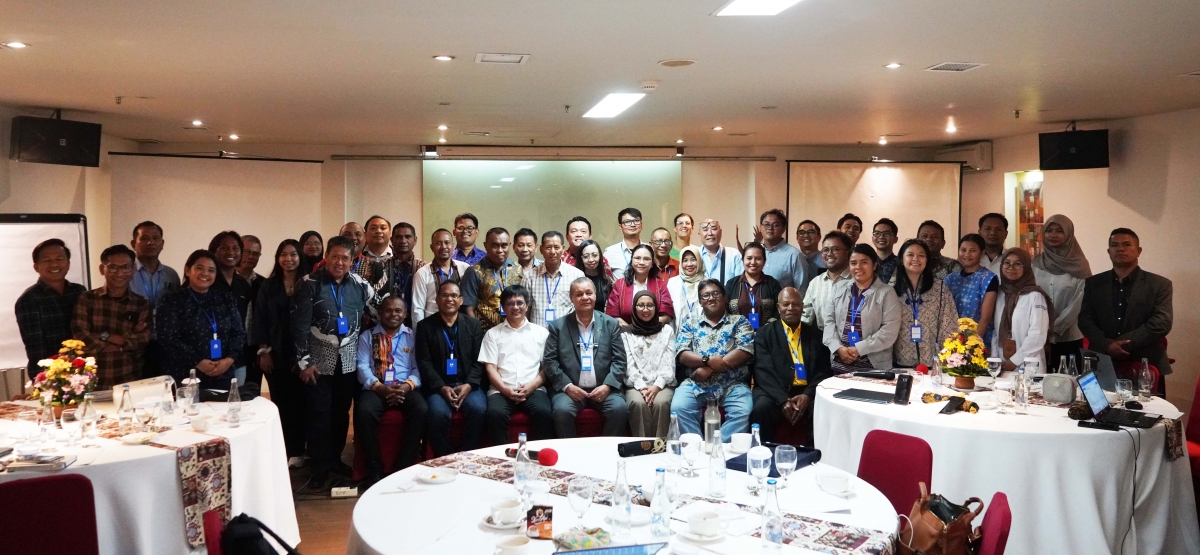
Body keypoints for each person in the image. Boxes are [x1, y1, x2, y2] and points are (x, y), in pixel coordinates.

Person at [291, 236, 375, 491]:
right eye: (335, 256)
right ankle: (318, 468)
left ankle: (335, 460)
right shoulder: (308, 284)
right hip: (317, 361)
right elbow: (299, 325)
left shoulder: (361, 285)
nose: (340, 262)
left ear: (352, 260)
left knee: (340, 414)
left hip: (348, 361)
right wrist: (303, 362)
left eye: (345, 258)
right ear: (327, 256)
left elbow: (376, 311)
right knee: (319, 414)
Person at [1078, 228, 1173, 391]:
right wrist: (1107, 344)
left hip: (1146, 364)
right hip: (1102, 361)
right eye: (1115, 245)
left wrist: (1124, 344)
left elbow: (1161, 323)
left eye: (1127, 244)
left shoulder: (1159, 284)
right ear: (1109, 251)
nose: (1120, 248)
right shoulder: (1094, 283)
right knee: (1099, 413)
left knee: (1149, 414)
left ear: (1139, 251)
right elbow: (1085, 320)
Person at [545, 278, 630, 438]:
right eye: (579, 294)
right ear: (571, 298)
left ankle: (606, 453)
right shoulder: (558, 326)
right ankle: (569, 456)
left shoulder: (610, 324)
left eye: (588, 293)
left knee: (619, 409)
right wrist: (567, 386)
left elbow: (620, 360)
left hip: (605, 388)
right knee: (562, 410)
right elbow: (550, 361)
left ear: (595, 296)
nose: (585, 297)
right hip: (570, 389)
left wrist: (607, 386)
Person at [670, 279, 754, 440]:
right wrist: (707, 360)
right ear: (700, 302)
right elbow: (681, 352)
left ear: (725, 297)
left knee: (743, 410)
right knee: (679, 407)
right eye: (705, 295)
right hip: (696, 383)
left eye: (715, 293)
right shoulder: (691, 323)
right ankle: (697, 448)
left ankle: (719, 448)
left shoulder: (740, 321)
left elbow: (745, 350)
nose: (711, 298)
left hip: (732, 384)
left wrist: (709, 368)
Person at [355, 295, 426, 483]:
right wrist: (379, 387)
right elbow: (362, 366)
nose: (393, 314)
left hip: (406, 387)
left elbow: (418, 367)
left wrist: (407, 386)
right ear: (380, 313)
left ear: (405, 314)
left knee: (421, 409)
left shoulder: (413, 337)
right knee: (363, 412)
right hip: (376, 388)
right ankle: (375, 470)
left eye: (398, 310)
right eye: (388, 310)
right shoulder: (367, 336)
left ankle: (403, 467)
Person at [750, 288, 830, 444]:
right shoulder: (764, 334)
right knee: (761, 409)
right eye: (786, 304)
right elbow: (763, 371)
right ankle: (762, 454)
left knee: (821, 408)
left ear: (803, 307)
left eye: (796, 304)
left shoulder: (816, 335)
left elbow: (823, 370)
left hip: (805, 391)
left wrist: (808, 394)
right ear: (778, 308)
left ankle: (815, 456)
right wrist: (783, 400)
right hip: (773, 391)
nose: (791, 308)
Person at [155, 250, 245, 388]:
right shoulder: (172, 300)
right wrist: (198, 361)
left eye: (211, 270)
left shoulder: (225, 299)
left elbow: (239, 333)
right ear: (187, 270)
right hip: (185, 375)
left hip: (223, 372)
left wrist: (228, 360)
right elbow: (168, 338)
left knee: (221, 409)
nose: (205, 274)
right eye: (199, 268)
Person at [252, 239, 306, 467]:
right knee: (281, 402)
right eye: (283, 254)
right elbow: (260, 319)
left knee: (302, 403)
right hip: (276, 352)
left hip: (302, 354)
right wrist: (263, 351)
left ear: (300, 257)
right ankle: (286, 449)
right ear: (277, 258)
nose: (288, 259)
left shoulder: (309, 283)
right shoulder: (269, 285)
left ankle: (302, 450)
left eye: (293, 254)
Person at [416, 280, 487, 456]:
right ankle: (445, 457)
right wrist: (441, 387)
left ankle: (467, 454)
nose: (449, 299)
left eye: (454, 295)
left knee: (478, 409)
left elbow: (480, 360)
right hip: (438, 386)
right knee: (437, 413)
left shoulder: (473, 325)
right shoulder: (425, 327)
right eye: (445, 295)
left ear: (461, 300)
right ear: (437, 300)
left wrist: (469, 384)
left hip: (468, 384)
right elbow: (424, 361)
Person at [71, 245, 152, 389]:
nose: (120, 273)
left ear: (133, 270)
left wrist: (100, 337)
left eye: (125, 267)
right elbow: (80, 335)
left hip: (129, 378)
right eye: (113, 267)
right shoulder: (87, 299)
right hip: (91, 381)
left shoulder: (141, 304)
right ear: (102, 269)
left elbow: (142, 339)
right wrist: (112, 337)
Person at [481, 285, 554, 444]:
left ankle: (536, 456)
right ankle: (501, 459)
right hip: (501, 389)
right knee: (495, 414)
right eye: (510, 303)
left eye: (520, 303)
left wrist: (531, 386)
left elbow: (546, 368)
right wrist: (505, 390)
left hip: (533, 388)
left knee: (543, 412)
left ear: (527, 306)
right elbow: (490, 368)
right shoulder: (492, 334)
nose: (515, 307)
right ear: (503, 307)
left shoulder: (541, 332)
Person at [823, 244, 902, 373]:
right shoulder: (839, 287)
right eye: (853, 263)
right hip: (840, 362)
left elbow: (889, 331)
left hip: (872, 367)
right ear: (848, 266)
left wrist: (859, 349)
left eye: (864, 262)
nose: (858, 267)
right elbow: (829, 321)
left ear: (874, 265)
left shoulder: (887, 292)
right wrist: (838, 348)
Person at [15, 239, 88, 379]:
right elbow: (36, 349)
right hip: (53, 376)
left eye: (60, 259)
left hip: (84, 370)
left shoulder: (80, 291)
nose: (54, 264)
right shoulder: (29, 300)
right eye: (46, 260)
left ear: (68, 263)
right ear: (36, 267)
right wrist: (46, 380)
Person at [1032, 215, 1091, 371]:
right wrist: (1040, 328)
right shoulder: (1035, 264)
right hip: (1037, 336)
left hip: (1068, 337)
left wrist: (1054, 328)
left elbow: (1079, 302)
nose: (1053, 235)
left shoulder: (1080, 266)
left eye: (1059, 231)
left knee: (1067, 385)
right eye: (1049, 230)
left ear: (1069, 234)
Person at [891, 240, 959, 368]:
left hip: (932, 361)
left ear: (927, 260)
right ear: (901, 259)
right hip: (899, 361)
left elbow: (949, 323)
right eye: (910, 255)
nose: (916, 259)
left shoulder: (940, 288)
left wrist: (946, 357)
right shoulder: (892, 289)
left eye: (921, 255)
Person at [620, 290, 676, 438]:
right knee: (638, 404)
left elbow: (668, 362)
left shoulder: (666, 330)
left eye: (650, 305)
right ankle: (642, 446)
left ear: (656, 308)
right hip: (636, 385)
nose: (645, 310)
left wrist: (657, 386)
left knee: (662, 403)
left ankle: (660, 447)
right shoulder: (626, 333)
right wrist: (642, 387)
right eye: (641, 305)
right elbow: (628, 364)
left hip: (663, 383)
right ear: (634, 307)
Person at [129, 221, 180, 378]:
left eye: (155, 238)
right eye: (144, 238)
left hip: (166, 345)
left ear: (162, 243)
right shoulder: (125, 272)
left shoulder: (171, 275)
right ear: (133, 244)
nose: (150, 242)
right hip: (136, 345)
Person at [992, 248, 1052, 374]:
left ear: (1026, 267)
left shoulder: (1035, 295)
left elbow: (1038, 334)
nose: (1011, 267)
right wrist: (995, 361)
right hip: (1002, 364)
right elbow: (995, 331)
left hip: (1029, 365)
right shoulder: (999, 294)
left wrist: (1015, 361)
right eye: (1006, 263)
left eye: (1018, 264)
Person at [462, 227, 525, 331]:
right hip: (484, 333)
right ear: (486, 245)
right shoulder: (474, 271)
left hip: (513, 331)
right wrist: (476, 331)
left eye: (504, 246)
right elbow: (468, 308)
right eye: (495, 246)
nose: (500, 250)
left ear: (509, 246)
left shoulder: (518, 269)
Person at [944, 234, 998, 345]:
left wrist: (971, 346)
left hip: (977, 341)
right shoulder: (950, 279)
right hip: (951, 340)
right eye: (963, 250)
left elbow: (985, 319)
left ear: (982, 253)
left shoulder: (989, 278)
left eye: (972, 250)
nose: (967, 254)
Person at [523, 230, 585, 327]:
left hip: (566, 335)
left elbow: (581, 308)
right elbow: (525, 311)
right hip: (538, 337)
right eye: (548, 247)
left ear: (563, 249)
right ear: (541, 249)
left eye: (556, 247)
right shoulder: (529, 277)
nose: (552, 252)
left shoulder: (577, 275)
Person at [606, 244, 674, 327]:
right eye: (637, 258)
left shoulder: (660, 285)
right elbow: (612, 313)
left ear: (652, 263)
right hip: (625, 333)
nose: (641, 262)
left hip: (654, 333)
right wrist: (630, 330)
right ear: (631, 261)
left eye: (646, 259)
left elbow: (667, 315)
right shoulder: (620, 284)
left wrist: (646, 329)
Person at [411, 229, 469, 323]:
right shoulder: (422, 274)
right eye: (438, 243)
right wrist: (420, 334)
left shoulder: (465, 269)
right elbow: (417, 309)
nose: (443, 247)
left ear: (453, 246)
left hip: (460, 326)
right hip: (433, 328)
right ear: (431, 247)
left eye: (447, 243)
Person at [725, 242, 783, 330]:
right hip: (738, 338)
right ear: (743, 260)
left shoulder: (772, 283)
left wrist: (765, 330)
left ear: (764, 261)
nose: (753, 262)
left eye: (758, 259)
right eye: (749, 258)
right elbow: (724, 311)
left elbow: (779, 311)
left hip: (767, 337)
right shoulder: (731, 284)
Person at [802, 232, 853, 331]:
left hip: (852, 341)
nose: (829, 254)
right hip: (823, 341)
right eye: (825, 250)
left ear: (848, 253)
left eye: (835, 249)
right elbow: (805, 318)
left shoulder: (857, 280)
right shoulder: (815, 283)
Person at [383, 222, 428, 327]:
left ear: (415, 240)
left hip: (417, 325)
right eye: (398, 237)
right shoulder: (381, 266)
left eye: (407, 237)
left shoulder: (424, 268)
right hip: (387, 327)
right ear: (391, 240)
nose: (403, 241)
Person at [753, 209, 809, 293]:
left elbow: (801, 291)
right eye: (766, 224)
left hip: (783, 305)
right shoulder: (755, 253)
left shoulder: (794, 255)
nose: (770, 228)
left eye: (775, 225)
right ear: (761, 227)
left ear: (783, 229)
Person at [208, 231, 253, 320]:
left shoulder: (243, 285)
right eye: (224, 248)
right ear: (213, 251)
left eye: (235, 248)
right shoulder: (206, 280)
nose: (231, 252)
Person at [574, 239, 615, 314]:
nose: (591, 259)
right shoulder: (574, 280)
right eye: (586, 256)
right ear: (581, 258)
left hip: (602, 322)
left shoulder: (608, 281)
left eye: (595, 255)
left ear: (600, 256)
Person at [667, 246, 703, 327]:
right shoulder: (672, 283)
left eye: (693, 259)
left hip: (702, 333)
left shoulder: (708, 283)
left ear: (699, 260)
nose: (689, 264)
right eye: (685, 260)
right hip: (679, 332)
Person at [698, 219, 743, 284]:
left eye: (714, 229)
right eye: (705, 229)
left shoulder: (734, 256)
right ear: (699, 234)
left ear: (721, 232)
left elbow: (740, 286)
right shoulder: (693, 256)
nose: (710, 233)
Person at [604, 207, 645, 274]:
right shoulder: (610, 253)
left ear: (641, 225)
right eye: (627, 222)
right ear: (620, 227)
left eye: (636, 221)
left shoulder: (650, 250)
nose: (632, 225)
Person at [872, 218, 900, 284]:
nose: (881, 236)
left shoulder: (901, 264)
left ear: (895, 239)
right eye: (877, 233)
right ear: (872, 238)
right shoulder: (868, 262)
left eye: (886, 233)